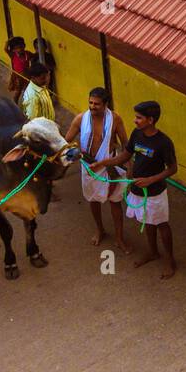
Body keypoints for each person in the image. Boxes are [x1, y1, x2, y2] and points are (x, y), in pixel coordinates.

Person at [91, 101, 177, 279]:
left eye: (139, 118)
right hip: (137, 190)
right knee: (146, 220)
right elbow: (125, 155)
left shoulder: (164, 142)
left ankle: (170, 261)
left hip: (155, 192)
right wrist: (102, 163)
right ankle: (153, 252)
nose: (135, 121)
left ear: (151, 120)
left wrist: (150, 180)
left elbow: (172, 168)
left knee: (161, 225)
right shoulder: (137, 134)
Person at [65, 87, 130, 251]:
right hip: (89, 166)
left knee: (115, 202)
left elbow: (126, 145)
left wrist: (130, 167)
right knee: (93, 200)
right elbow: (66, 141)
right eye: (90, 103)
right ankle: (100, 230)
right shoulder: (80, 119)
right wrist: (72, 153)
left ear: (106, 104)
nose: (93, 107)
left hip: (110, 166)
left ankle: (119, 237)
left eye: (97, 104)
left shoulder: (115, 119)